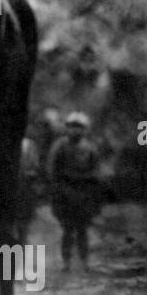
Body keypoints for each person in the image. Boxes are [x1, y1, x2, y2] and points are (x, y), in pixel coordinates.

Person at [46, 111, 102, 272]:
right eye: (72, 127)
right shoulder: (60, 146)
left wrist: (92, 190)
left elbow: (96, 171)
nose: (75, 131)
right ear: (67, 128)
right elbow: (51, 171)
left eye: (79, 127)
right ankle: (66, 262)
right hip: (65, 193)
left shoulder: (90, 148)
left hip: (84, 194)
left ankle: (84, 261)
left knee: (82, 230)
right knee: (68, 230)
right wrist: (59, 190)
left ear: (85, 129)